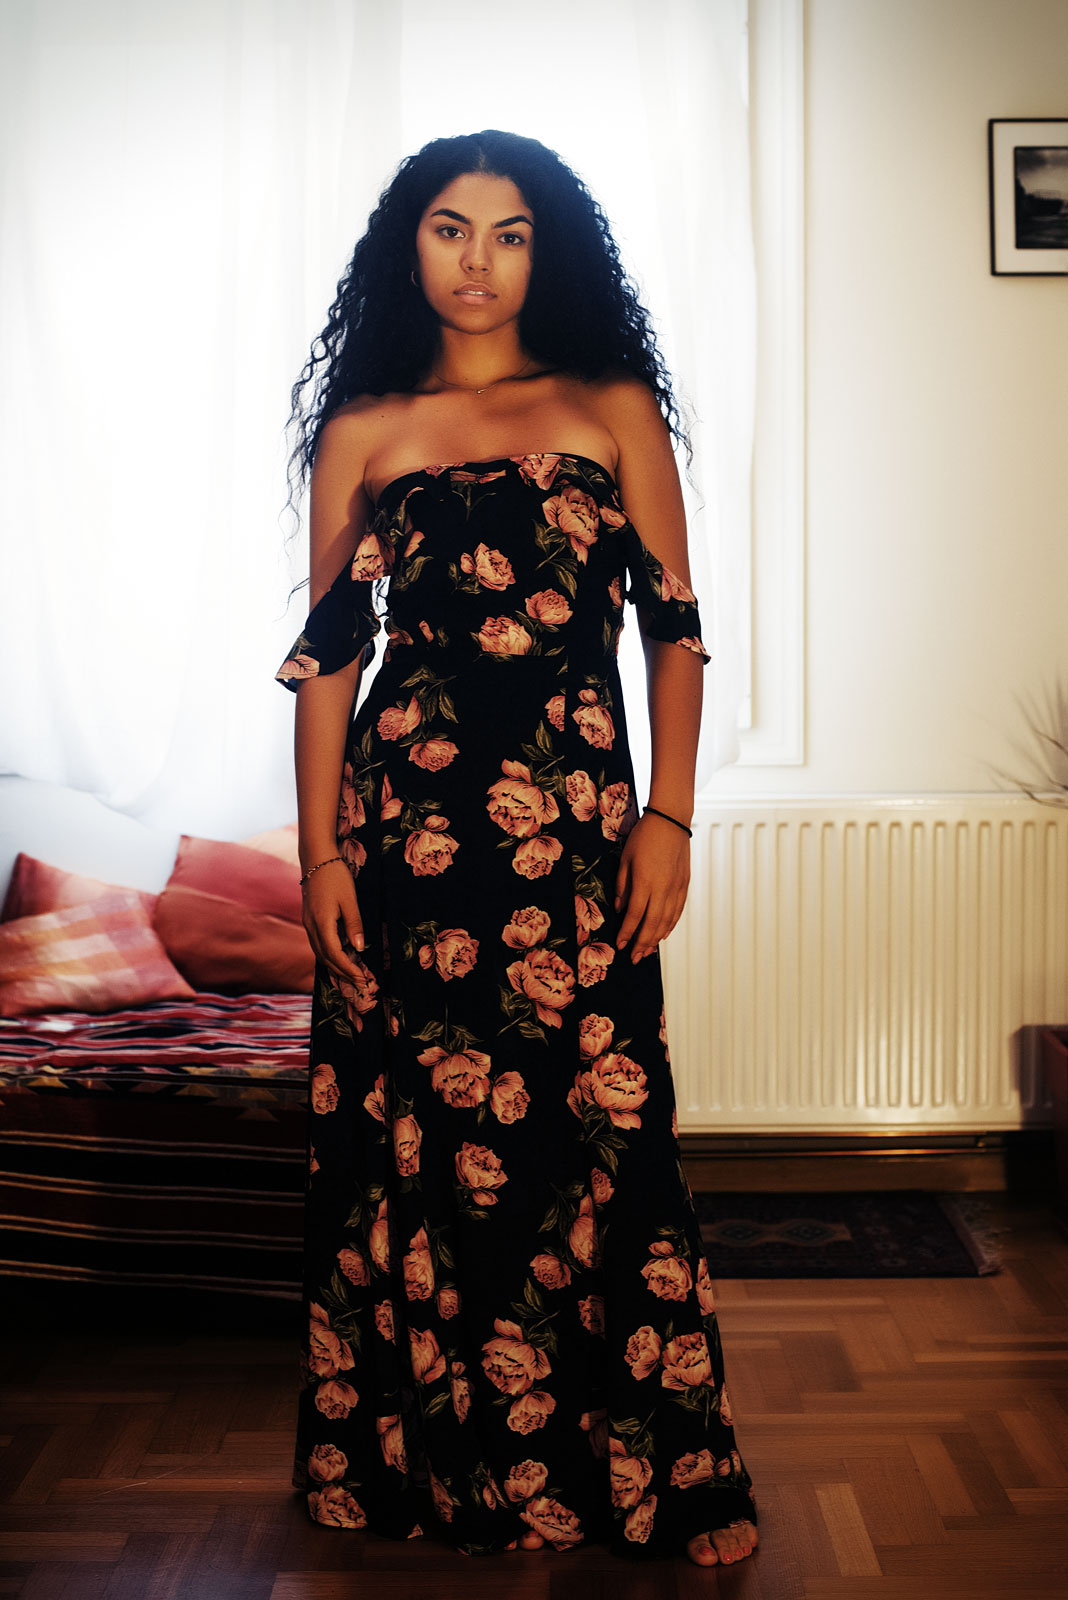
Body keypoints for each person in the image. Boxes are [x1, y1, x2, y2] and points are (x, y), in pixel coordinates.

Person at [276, 128, 758, 1568]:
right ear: (407, 244)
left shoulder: (611, 410)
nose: (477, 260)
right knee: (417, 1144)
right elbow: (329, 657)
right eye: (449, 227)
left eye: (509, 232)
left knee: (601, 1132)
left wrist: (671, 817)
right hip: (406, 841)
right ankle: (435, 1468)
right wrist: (319, 860)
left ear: (549, 251)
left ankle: (638, 1468)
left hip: (578, 836)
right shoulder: (365, 428)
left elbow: (675, 631)